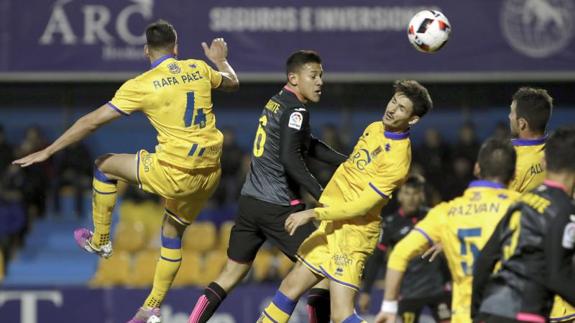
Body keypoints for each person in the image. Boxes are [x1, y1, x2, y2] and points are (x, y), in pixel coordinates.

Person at [12, 20, 239, 323]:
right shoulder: (198, 68)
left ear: (146, 51)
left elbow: (91, 122)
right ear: (177, 47)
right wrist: (220, 59)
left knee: (104, 165)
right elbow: (233, 82)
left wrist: (49, 150)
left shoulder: (141, 85)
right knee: (172, 232)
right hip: (210, 172)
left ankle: (101, 240)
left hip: (175, 171)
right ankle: (152, 307)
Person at [188, 50, 347, 323]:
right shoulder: (296, 109)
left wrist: (347, 162)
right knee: (322, 268)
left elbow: (306, 145)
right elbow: (290, 158)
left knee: (231, 273)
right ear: (294, 78)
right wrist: (323, 195)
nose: (320, 81)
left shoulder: (277, 101)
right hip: (278, 206)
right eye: (314, 75)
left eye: (321, 75)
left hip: (250, 201)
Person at [258, 80, 433, 323]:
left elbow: (363, 205)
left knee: (341, 315)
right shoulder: (375, 127)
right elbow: (352, 169)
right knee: (289, 288)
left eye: (402, 108)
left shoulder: (397, 160)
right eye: (393, 101)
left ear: (412, 119)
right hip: (331, 225)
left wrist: (312, 214)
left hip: (354, 233)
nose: (392, 109)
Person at [375, 138, 520, 323]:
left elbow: (399, 254)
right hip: (509, 311)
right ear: (514, 174)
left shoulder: (445, 212)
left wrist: (388, 306)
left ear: (477, 168)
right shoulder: (523, 207)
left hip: (465, 315)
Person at [472, 127, 575, 323]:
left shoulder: (521, 202)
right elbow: (557, 275)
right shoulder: (564, 211)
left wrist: (476, 311)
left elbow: (485, 259)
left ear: (545, 162)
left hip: (492, 309)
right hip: (526, 312)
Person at [358, 175, 451, 323]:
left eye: (416, 193)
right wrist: (367, 291)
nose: (411, 198)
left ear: (422, 195)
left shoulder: (432, 217)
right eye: (407, 193)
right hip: (408, 292)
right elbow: (376, 259)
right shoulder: (390, 224)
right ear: (399, 196)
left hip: (438, 288)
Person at [507, 87, 552, 193]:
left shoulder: (512, 161)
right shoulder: (560, 150)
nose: (509, 117)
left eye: (512, 112)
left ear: (522, 123)